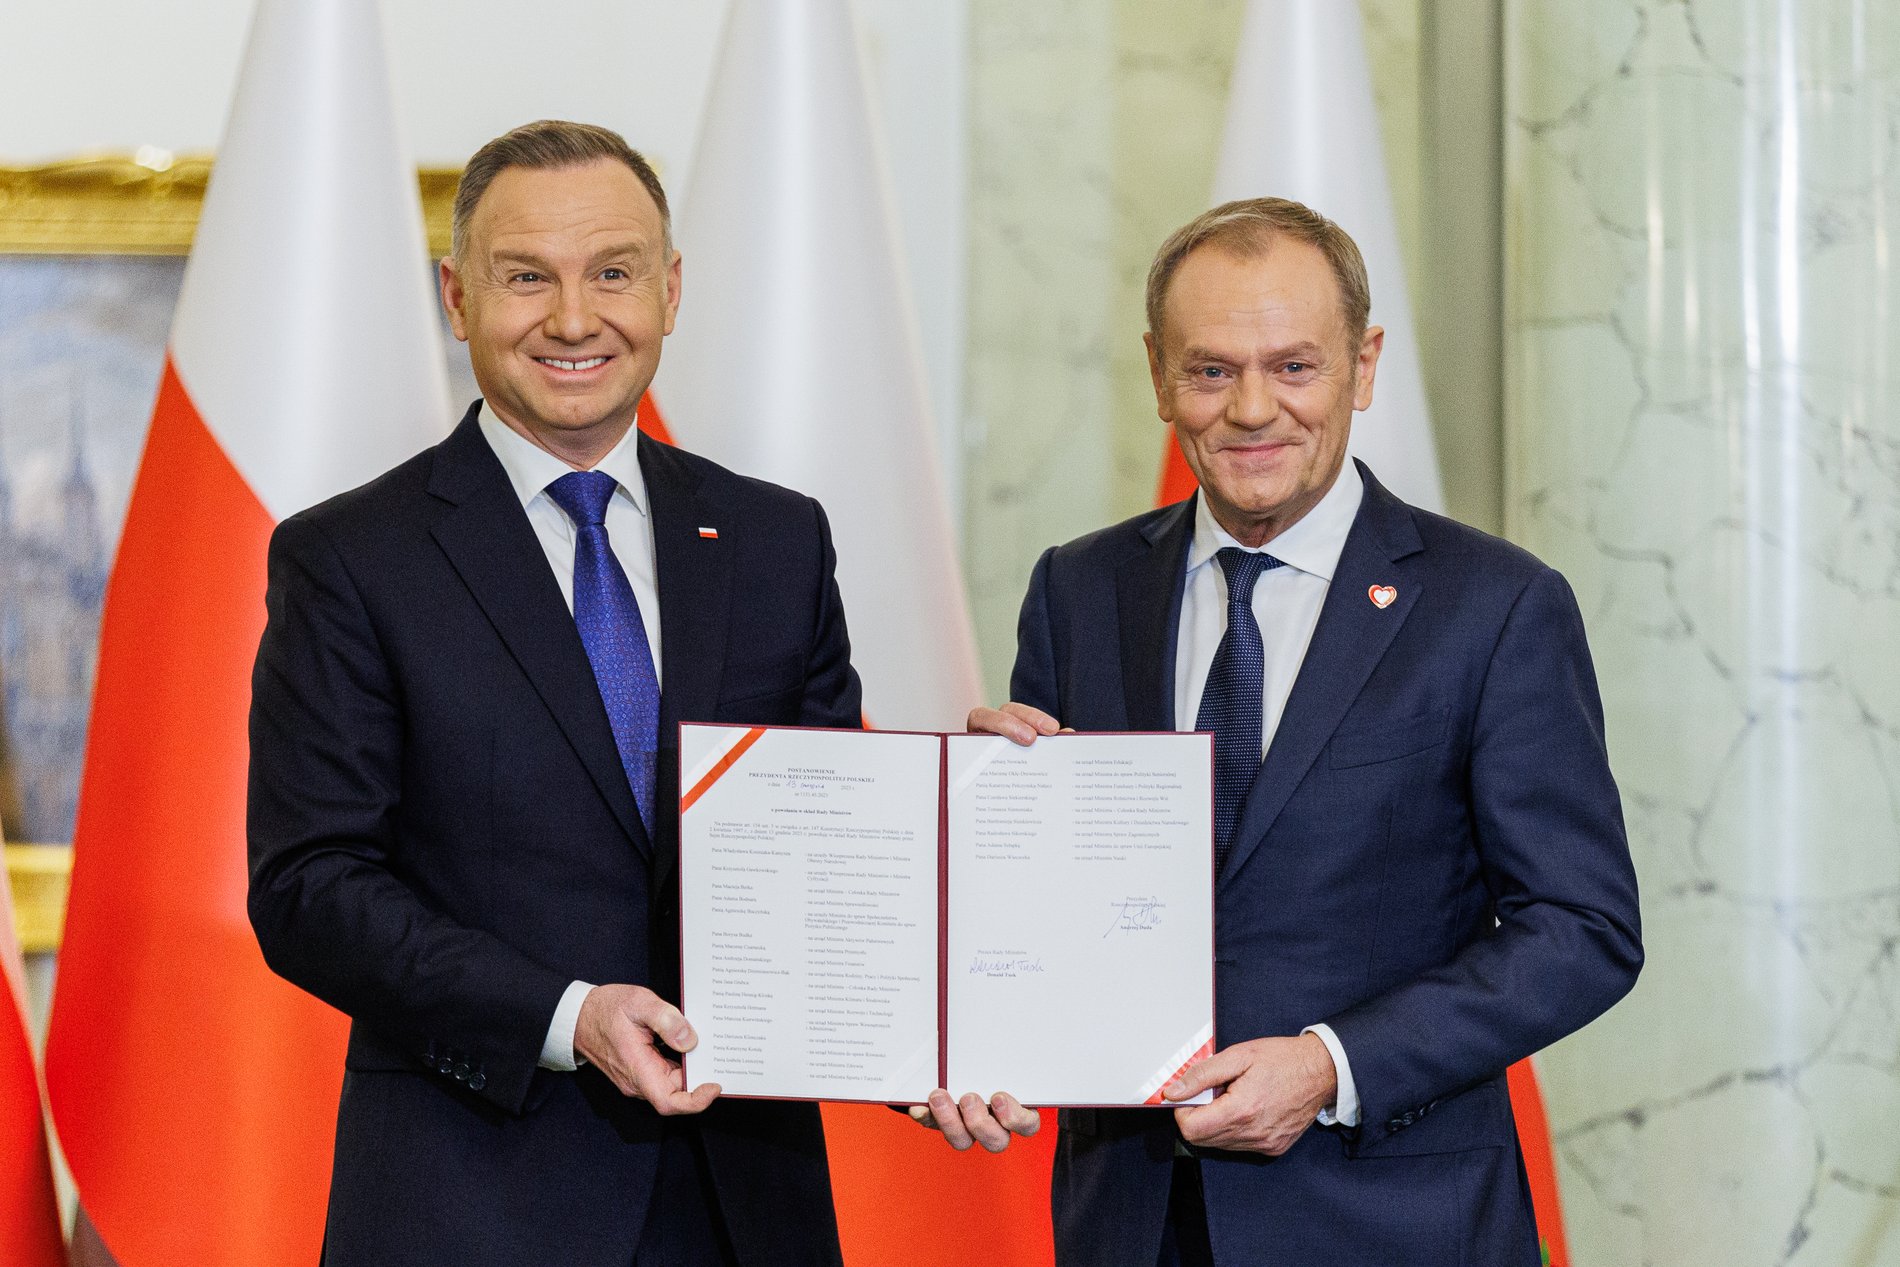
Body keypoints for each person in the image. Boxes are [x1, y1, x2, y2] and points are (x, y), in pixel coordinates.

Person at [927, 198, 1643, 1266]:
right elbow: (1059, 923)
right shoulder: (1079, 587)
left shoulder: (1493, 607)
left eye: (1294, 367)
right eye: (1210, 369)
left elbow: (1582, 927)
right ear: (1158, 371)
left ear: (1363, 366)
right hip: (1129, 1220)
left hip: (1392, 1224)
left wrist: (1330, 1064)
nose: (1252, 408)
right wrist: (987, 820)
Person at [248, 120, 858, 1267]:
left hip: (742, 1202)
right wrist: (567, 1015)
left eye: (614, 272)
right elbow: (309, 887)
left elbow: (835, 837)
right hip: (472, 1203)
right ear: (456, 295)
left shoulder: (778, 539)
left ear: (670, 291)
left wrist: (985, 802)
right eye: (526, 276)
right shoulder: (350, 559)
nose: (575, 319)